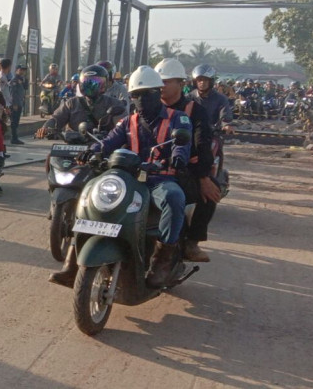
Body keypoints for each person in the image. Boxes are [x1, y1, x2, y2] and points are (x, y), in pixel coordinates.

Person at [87, 65, 192, 287]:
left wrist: (178, 157)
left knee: (175, 198)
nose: (140, 100)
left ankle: (162, 260)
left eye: (145, 94)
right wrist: (92, 150)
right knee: (92, 192)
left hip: (159, 180)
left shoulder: (178, 119)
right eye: (135, 95)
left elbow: (182, 145)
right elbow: (108, 143)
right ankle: (72, 260)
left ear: (157, 92)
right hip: (129, 181)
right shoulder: (127, 121)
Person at [45, 65, 129, 287]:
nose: (90, 87)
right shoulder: (71, 102)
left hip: (99, 154)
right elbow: (56, 118)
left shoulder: (113, 105)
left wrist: (107, 137)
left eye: (96, 83)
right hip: (73, 150)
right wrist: (48, 127)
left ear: (105, 85)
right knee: (49, 157)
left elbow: (122, 128)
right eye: (87, 83)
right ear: (80, 83)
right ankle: (53, 195)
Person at [158, 59, 217, 263]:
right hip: (150, 167)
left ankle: (191, 242)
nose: (161, 86)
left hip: (184, 169)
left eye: (167, 81)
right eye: (159, 81)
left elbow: (203, 145)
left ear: (181, 84)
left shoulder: (195, 110)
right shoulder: (147, 106)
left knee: (211, 192)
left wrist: (203, 177)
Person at [9, 64, 28, 145]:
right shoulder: (14, 80)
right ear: (17, 70)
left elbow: (26, 87)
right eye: (21, 70)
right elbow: (13, 93)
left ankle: (15, 137)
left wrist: (24, 81)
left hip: (20, 102)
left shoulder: (22, 79)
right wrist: (14, 104)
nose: (23, 71)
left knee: (16, 121)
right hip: (15, 103)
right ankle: (14, 138)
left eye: (24, 70)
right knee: (14, 121)